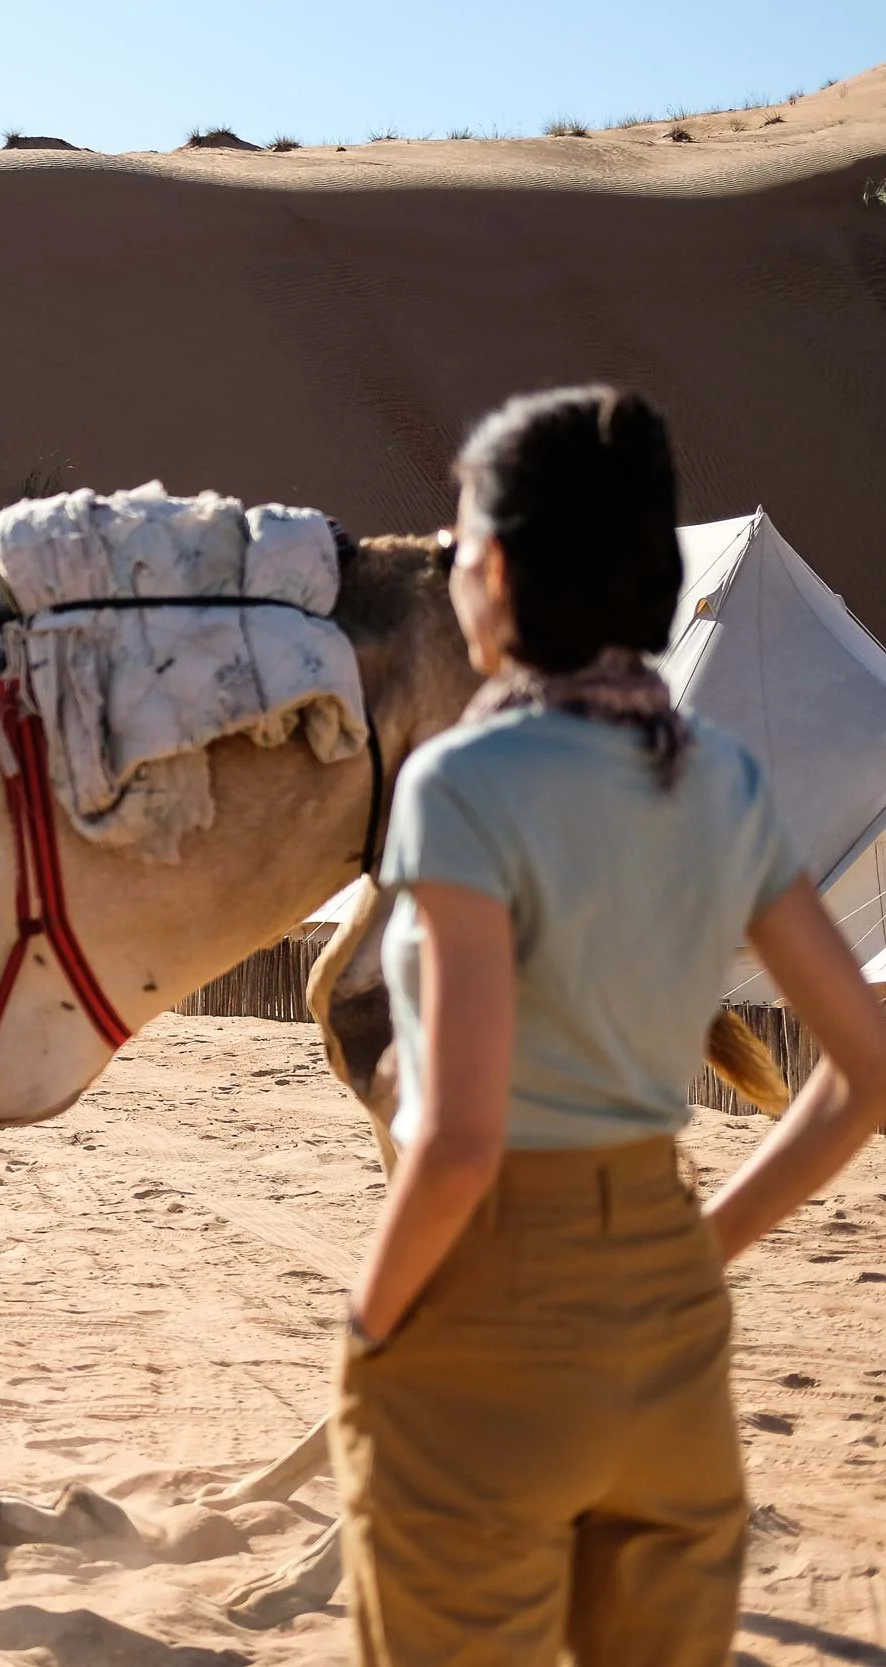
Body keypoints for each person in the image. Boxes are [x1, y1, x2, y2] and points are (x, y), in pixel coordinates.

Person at [333, 385, 886, 1665]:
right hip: (668, 1322)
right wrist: (700, 1245)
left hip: (485, 1307)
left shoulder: (460, 784)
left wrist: (370, 1323)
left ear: (509, 572)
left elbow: (461, 1133)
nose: (454, 570)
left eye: (465, 544)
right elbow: (865, 1069)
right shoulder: (724, 779)